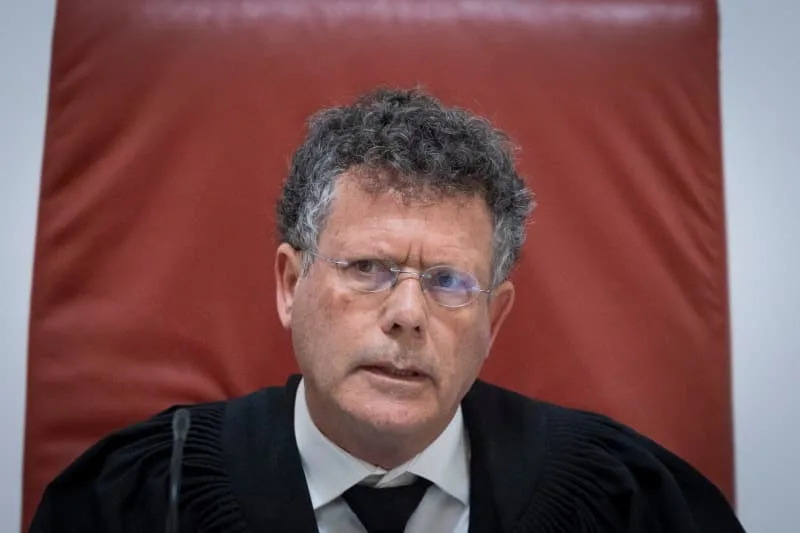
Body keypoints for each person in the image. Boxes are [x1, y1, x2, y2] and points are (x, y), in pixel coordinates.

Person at [30, 88, 744, 533]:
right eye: (368, 268)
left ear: (493, 320)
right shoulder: (137, 499)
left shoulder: (627, 503)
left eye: (447, 281)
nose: (407, 313)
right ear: (290, 284)